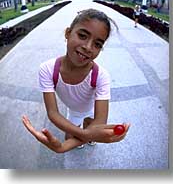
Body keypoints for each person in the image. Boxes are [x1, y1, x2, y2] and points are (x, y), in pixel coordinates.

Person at [22, 8, 130, 153]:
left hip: (91, 109)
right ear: (67, 33)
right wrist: (84, 136)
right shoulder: (48, 70)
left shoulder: (101, 76)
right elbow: (53, 113)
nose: (88, 47)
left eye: (97, 44)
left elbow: (100, 122)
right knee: (75, 135)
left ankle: (86, 133)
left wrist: (67, 145)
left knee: (90, 130)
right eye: (82, 36)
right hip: (74, 111)